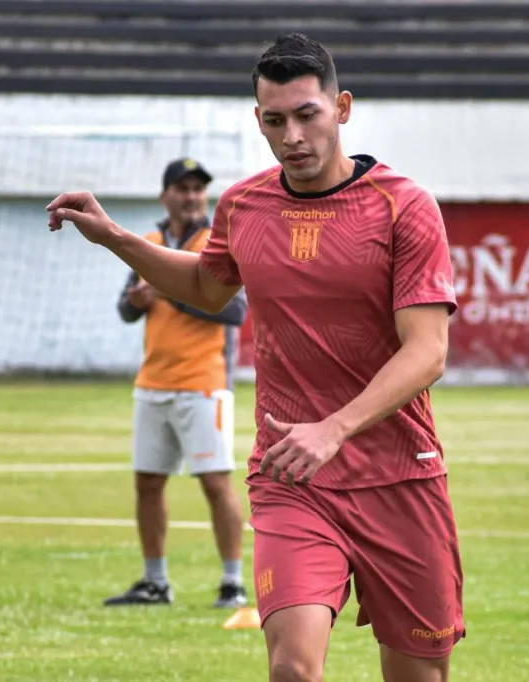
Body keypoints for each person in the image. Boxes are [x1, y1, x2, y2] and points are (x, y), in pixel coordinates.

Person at [46, 32, 464, 682]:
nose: (292, 135)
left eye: (307, 115)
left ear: (343, 108)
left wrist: (335, 428)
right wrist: (117, 239)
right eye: (275, 121)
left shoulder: (403, 207)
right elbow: (207, 288)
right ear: (258, 121)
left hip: (399, 478)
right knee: (292, 669)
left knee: (419, 674)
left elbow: (428, 352)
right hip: (291, 477)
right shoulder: (244, 205)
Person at [104, 158, 249, 610]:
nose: (191, 197)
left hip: (203, 384)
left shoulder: (215, 243)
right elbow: (125, 311)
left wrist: (169, 290)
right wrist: (136, 300)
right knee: (148, 483)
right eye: (182, 189)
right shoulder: (149, 243)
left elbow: (235, 311)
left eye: (197, 190)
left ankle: (233, 583)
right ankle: (155, 582)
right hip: (153, 381)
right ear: (165, 194)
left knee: (215, 483)